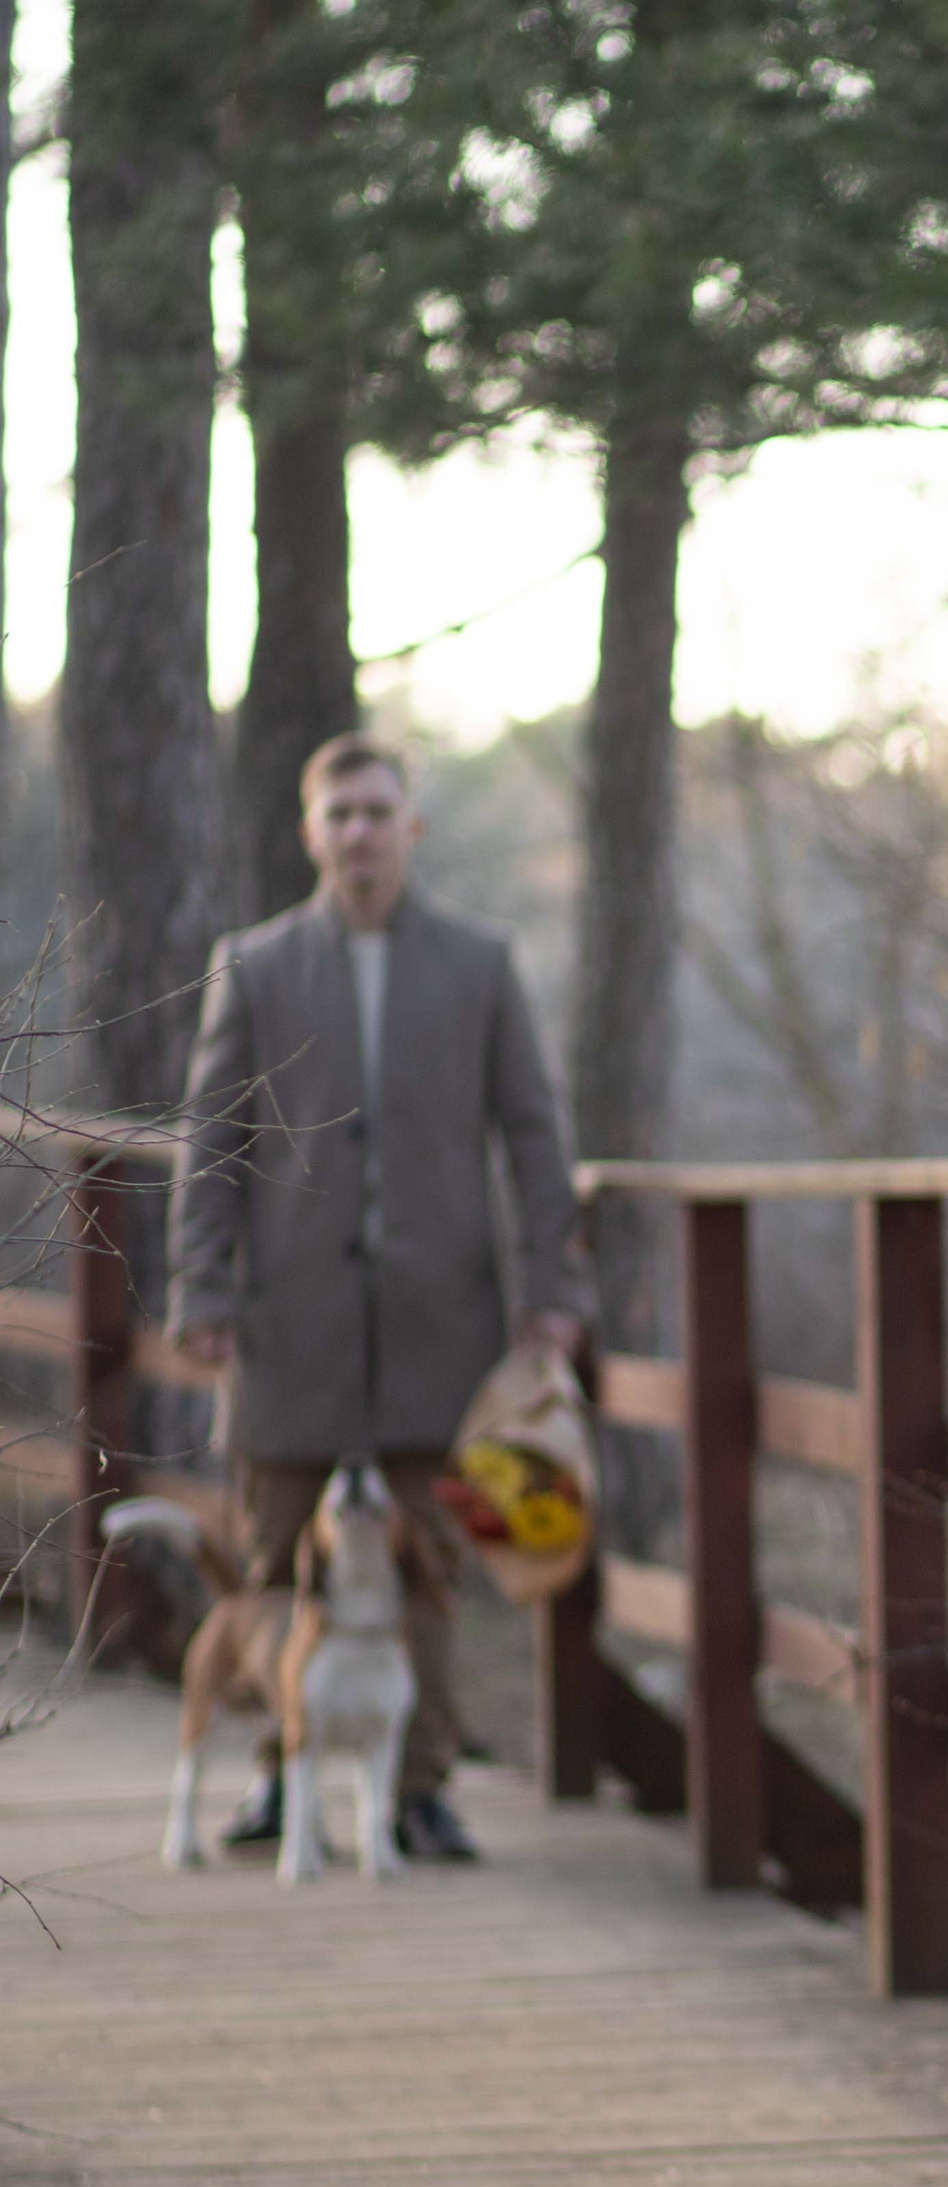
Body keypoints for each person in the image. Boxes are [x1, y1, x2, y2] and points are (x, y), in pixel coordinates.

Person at [169, 735, 593, 1860]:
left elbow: (536, 1136)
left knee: (430, 1567)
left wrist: (552, 1287)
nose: (357, 832)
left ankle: (418, 1789)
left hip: (438, 1326)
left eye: (376, 811)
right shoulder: (254, 966)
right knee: (271, 1558)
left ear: (411, 827)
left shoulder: (479, 962)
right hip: (288, 1325)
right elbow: (211, 1139)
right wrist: (201, 1284)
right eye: (337, 814)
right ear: (310, 832)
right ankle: (280, 1774)